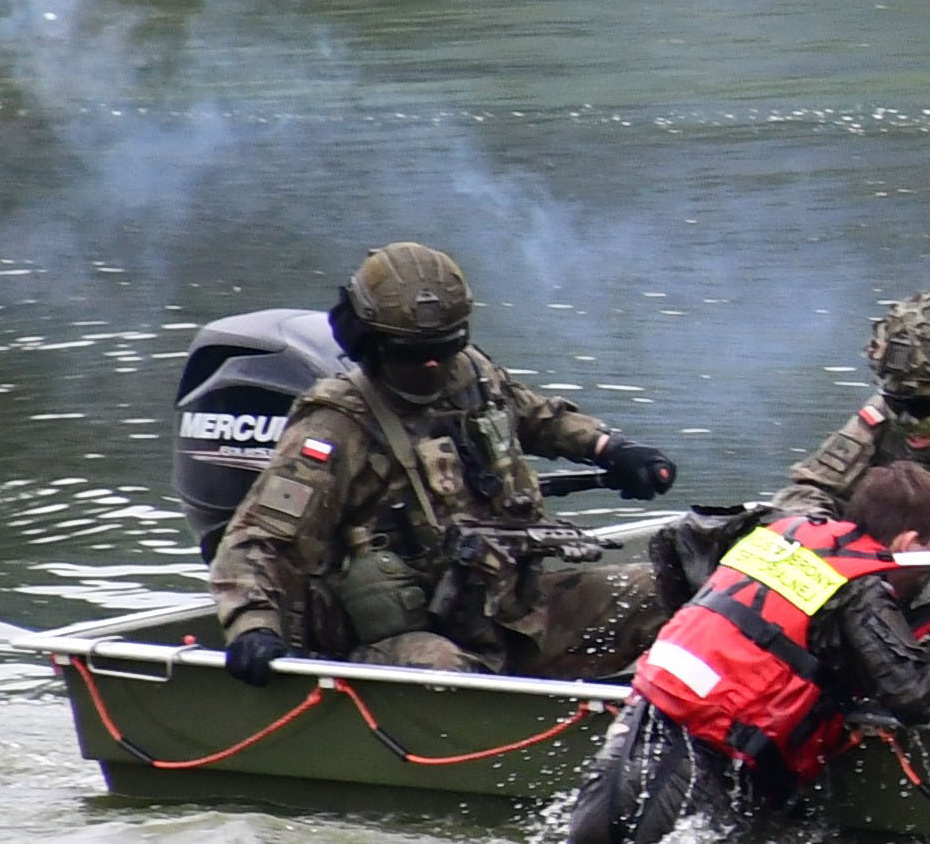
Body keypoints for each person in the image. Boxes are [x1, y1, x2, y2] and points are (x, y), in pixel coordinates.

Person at [205, 240, 682, 679]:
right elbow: (256, 539)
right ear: (372, 344)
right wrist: (253, 626)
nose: (434, 367)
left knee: (670, 596)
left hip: (509, 609)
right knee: (447, 672)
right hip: (403, 638)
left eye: (445, 350)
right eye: (415, 355)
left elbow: (538, 416)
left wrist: (610, 449)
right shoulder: (336, 426)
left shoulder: (471, 375)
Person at [556, 460, 930, 844]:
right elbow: (913, 694)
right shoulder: (861, 586)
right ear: (908, 545)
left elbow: (674, 539)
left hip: (640, 721)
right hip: (707, 758)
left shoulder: (779, 534)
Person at [772, 289, 930, 543]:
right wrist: (820, 533)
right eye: (895, 401)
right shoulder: (882, 417)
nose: (906, 419)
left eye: (925, 407)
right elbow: (808, 493)